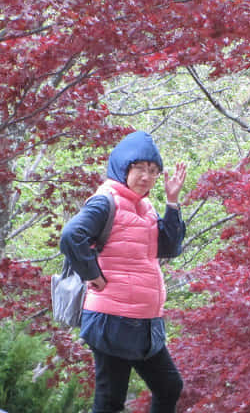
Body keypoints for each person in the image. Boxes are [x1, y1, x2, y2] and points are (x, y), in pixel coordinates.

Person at [60, 131, 187, 413]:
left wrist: (172, 202)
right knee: (110, 401)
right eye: (139, 167)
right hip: (112, 318)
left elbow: (169, 248)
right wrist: (93, 275)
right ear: (122, 167)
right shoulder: (106, 201)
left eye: (153, 170)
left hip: (145, 321)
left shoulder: (147, 207)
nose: (146, 176)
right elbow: (71, 236)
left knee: (169, 386)